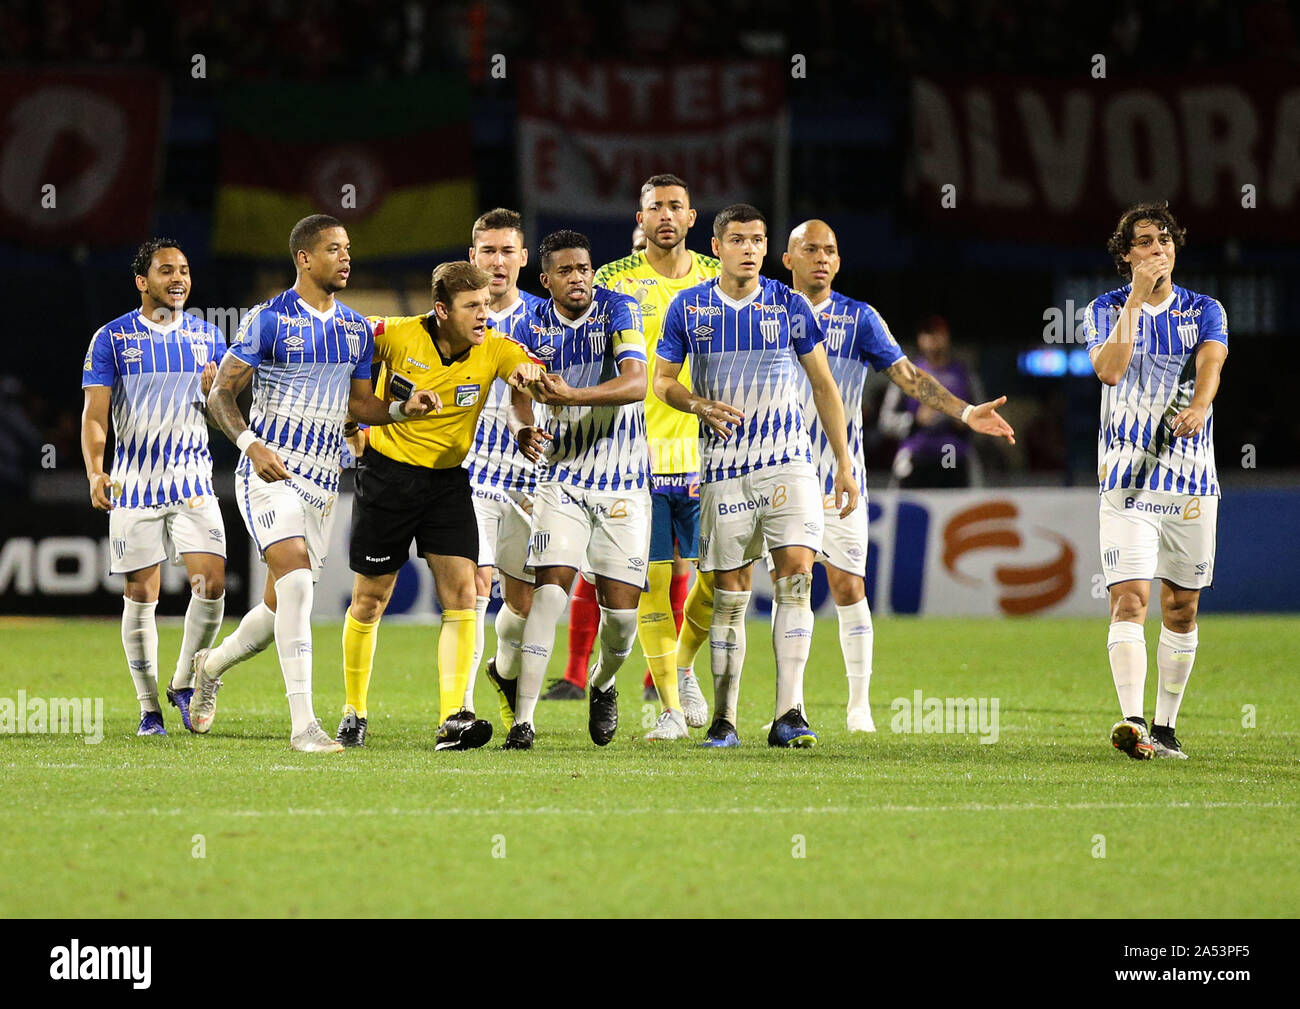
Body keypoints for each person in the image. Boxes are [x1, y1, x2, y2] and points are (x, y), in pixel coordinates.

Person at [194, 215, 439, 753]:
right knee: (300, 585)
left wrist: (404, 409)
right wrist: (251, 446)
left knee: (279, 608)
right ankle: (304, 725)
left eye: (348, 248)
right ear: (304, 258)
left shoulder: (355, 330)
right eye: (333, 248)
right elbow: (220, 397)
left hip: (325, 483)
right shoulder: (268, 319)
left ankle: (207, 667)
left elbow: (359, 405)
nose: (345, 257)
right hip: (269, 471)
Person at [783, 221, 1015, 731]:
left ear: (839, 263)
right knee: (791, 585)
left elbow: (909, 377)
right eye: (811, 249)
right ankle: (788, 707)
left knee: (847, 587)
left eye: (831, 251)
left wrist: (964, 412)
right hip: (776, 472)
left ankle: (858, 705)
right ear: (788, 258)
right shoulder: (767, 311)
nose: (822, 258)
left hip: (840, 476)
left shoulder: (858, 318)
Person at [654, 204, 857, 749]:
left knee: (796, 577)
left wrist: (842, 462)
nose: (750, 248)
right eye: (738, 239)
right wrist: (696, 404)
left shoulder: (788, 304)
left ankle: (789, 712)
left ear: (768, 249)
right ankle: (725, 720)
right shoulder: (688, 307)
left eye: (759, 239)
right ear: (716, 247)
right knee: (730, 593)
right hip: (722, 470)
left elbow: (823, 385)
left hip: (788, 464)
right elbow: (662, 382)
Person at [333, 261, 543, 749]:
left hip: (447, 483)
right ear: (441, 310)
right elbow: (344, 352)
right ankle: (354, 710)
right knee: (370, 600)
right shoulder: (394, 335)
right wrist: (351, 429)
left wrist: (533, 378)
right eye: (472, 306)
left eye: (487, 305)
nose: (484, 315)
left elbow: (524, 370)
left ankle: (455, 715)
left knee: (464, 593)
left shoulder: (494, 347)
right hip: (386, 479)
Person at [550, 174, 720, 741]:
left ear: (692, 217)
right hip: (634, 458)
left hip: (709, 452)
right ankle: (671, 706)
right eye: (655, 207)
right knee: (646, 583)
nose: (666, 215)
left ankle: (686, 663)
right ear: (639, 218)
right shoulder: (611, 282)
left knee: (718, 580)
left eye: (676, 205)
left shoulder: (719, 280)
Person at [488, 230, 650, 751]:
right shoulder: (530, 325)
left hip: (624, 481)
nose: (579, 277)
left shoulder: (618, 310)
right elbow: (518, 392)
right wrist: (522, 427)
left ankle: (602, 684)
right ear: (547, 280)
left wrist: (574, 396)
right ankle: (524, 722)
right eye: (566, 270)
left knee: (622, 622)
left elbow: (637, 384)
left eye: (584, 268)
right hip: (560, 478)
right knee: (550, 593)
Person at [1086, 202, 1227, 761]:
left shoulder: (1204, 308)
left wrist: (1198, 404)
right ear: (1128, 256)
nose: (1157, 249)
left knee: (1181, 608)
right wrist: (1136, 304)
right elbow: (1111, 370)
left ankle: (1166, 727)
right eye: (1144, 242)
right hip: (1127, 481)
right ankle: (1133, 722)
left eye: (1164, 240)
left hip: (1190, 478)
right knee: (1128, 599)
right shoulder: (1104, 309)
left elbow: (1212, 364)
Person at [79, 238, 228, 736]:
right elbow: (95, 416)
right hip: (135, 486)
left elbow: (227, 413)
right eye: (166, 271)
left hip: (192, 483)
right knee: (142, 594)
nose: (179, 278)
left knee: (212, 586)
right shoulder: (112, 338)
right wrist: (96, 471)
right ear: (143, 282)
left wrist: (214, 397)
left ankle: (184, 680)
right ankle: (149, 710)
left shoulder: (210, 339)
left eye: (184, 269)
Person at [460, 210, 548, 723]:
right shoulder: (455, 315)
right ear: (473, 257)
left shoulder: (543, 318)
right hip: (471, 474)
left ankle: (505, 669)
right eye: (487, 251)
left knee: (522, 605)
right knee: (474, 586)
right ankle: (463, 708)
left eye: (506, 251)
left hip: (532, 477)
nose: (497, 261)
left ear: (523, 258)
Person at [879, 316, 983, 487]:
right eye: (927, 334)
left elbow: (983, 415)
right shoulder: (907, 373)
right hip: (917, 456)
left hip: (954, 457)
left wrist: (967, 420)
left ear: (946, 336)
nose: (933, 341)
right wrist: (914, 420)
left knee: (955, 507)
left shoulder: (963, 374)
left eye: (937, 334)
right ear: (920, 339)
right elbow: (885, 421)